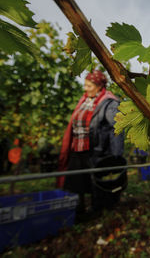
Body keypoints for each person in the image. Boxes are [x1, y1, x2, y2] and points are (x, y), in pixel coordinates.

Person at [56, 70, 126, 216]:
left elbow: (117, 129)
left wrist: (116, 156)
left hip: (95, 149)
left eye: (89, 86)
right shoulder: (85, 99)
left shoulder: (109, 103)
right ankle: (79, 209)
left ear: (99, 86)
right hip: (78, 147)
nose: (85, 89)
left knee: (97, 183)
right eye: (85, 85)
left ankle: (98, 212)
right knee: (76, 181)